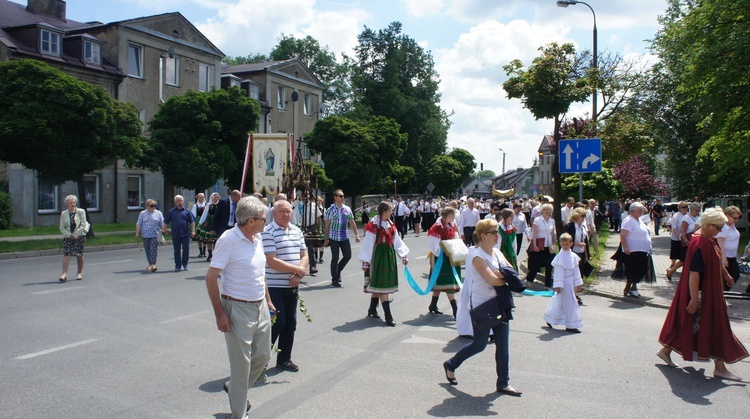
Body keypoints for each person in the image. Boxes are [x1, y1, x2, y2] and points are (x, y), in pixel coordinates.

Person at [657, 208, 748, 380]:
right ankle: (720, 367)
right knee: (714, 326)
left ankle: (666, 350)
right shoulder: (700, 242)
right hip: (702, 294)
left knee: (694, 326)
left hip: (707, 292)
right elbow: (694, 273)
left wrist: (726, 274)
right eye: (718, 227)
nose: (721, 231)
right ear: (707, 224)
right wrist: (693, 299)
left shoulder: (708, 239)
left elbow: (714, 258)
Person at [205, 196, 274, 418]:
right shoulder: (228, 240)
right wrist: (220, 314)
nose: (267, 221)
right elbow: (211, 278)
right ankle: (239, 413)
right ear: (251, 220)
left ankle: (234, 388)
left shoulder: (257, 238)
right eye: (264, 218)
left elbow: (260, 272)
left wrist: (268, 299)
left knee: (263, 357)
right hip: (236, 307)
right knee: (241, 366)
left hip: (259, 305)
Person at [443, 219, 521, 397]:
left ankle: (504, 383)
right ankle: (451, 364)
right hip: (482, 306)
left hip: (500, 303)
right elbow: (492, 279)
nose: (497, 235)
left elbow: (512, 271)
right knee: (479, 345)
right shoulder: (476, 256)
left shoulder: (496, 253)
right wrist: (505, 278)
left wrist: (504, 276)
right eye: (494, 232)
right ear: (483, 235)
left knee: (503, 345)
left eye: (497, 232)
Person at [262, 200, 308, 372]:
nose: (286, 215)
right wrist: (298, 270)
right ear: (274, 213)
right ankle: (262, 359)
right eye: (282, 211)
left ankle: (284, 359)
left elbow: (304, 255)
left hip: (292, 284)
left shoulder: (297, 231)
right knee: (277, 322)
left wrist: (297, 274)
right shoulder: (268, 232)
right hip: (274, 285)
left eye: (288, 211)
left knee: (290, 323)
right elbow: (271, 261)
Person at [359, 201, 410, 326]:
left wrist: (404, 255)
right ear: (384, 212)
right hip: (377, 256)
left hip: (388, 255)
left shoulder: (390, 223)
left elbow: (396, 241)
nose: (392, 212)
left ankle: (372, 308)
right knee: (382, 287)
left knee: (379, 284)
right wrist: (366, 261)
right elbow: (368, 243)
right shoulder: (374, 225)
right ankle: (388, 316)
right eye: (390, 210)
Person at [543, 233, 583, 332]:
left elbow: (576, 270)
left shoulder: (573, 256)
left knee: (560, 302)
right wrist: (558, 285)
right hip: (564, 283)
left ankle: (550, 318)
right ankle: (570, 325)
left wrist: (577, 283)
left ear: (571, 244)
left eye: (567, 244)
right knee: (570, 304)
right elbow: (558, 272)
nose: (565, 246)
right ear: (560, 244)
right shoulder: (560, 257)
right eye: (563, 244)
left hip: (571, 281)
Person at [427, 207, 462, 317]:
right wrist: (444, 249)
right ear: (447, 215)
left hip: (450, 256)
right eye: (452, 215)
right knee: (447, 282)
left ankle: (433, 305)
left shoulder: (452, 226)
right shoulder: (437, 227)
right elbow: (433, 244)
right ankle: (455, 309)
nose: (454, 217)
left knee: (441, 282)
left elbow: (457, 239)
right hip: (441, 257)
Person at [324, 189, 361, 287]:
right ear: (335, 197)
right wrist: (326, 239)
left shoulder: (347, 209)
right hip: (333, 237)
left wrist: (357, 234)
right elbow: (326, 226)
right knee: (335, 257)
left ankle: (338, 271)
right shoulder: (330, 210)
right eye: (340, 196)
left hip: (344, 236)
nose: (342, 198)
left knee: (348, 255)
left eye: (343, 196)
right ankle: (335, 279)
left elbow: (352, 223)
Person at [620, 202, 652, 298]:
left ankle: (630, 288)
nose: (641, 212)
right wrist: (625, 247)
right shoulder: (628, 220)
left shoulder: (638, 220)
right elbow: (623, 235)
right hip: (634, 250)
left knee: (639, 270)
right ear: (633, 211)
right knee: (634, 270)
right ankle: (632, 288)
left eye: (642, 210)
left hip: (642, 250)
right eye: (639, 210)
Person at [58, 195, 89, 282]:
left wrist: (75, 235)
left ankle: (79, 273)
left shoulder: (81, 212)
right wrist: (69, 235)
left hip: (80, 236)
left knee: (79, 254)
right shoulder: (64, 213)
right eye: (71, 202)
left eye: (74, 202)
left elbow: (83, 224)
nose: (73, 204)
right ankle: (64, 274)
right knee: (67, 254)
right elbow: (62, 228)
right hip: (68, 237)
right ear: (67, 204)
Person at [667, 202, 700, 281]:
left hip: (695, 240)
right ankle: (671, 270)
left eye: (699, 210)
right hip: (687, 240)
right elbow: (682, 230)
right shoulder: (686, 218)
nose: (698, 212)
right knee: (683, 259)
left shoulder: (698, 217)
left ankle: (687, 275)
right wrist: (685, 240)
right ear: (692, 210)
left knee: (690, 259)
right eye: (696, 210)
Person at [526, 203, 556, 289]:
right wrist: (534, 245)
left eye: (549, 210)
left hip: (548, 245)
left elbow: (552, 233)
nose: (548, 211)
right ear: (542, 211)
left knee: (549, 265)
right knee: (536, 265)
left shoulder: (552, 221)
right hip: (539, 245)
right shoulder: (537, 220)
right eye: (546, 210)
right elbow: (534, 234)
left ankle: (547, 285)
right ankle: (529, 279)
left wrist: (555, 241)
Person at [164, 195, 196, 272]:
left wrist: (193, 231)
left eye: (181, 200)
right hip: (176, 234)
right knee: (176, 250)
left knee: (186, 248)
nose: (180, 202)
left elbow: (192, 222)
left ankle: (185, 264)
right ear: (175, 202)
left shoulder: (187, 211)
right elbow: (166, 222)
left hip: (185, 234)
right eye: (178, 201)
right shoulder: (171, 212)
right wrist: (165, 229)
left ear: (183, 201)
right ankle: (177, 265)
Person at [135, 199, 166, 272]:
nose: (153, 207)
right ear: (147, 206)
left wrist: (165, 229)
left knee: (153, 249)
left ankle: (153, 264)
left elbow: (162, 223)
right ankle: (150, 264)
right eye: (151, 206)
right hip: (145, 235)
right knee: (147, 250)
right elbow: (139, 224)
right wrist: (137, 233)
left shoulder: (158, 213)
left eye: (155, 206)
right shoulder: (142, 213)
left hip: (154, 235)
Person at [716, 206, 742, 292]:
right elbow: (720, 244)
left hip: (732, 256)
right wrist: (723, 259)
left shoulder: (732, 225)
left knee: (734, 275)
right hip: (725, 256)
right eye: (734, 218)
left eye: (738, 218)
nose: (736, 220)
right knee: (724, 277)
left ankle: (722, 295)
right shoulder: (723, 227)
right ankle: (720, 296)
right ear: (727, 215)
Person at [666, 201, 689, 281]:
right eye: (683, 207)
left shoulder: (688, 216)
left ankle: (679, 268)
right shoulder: (676, 216)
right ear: (679, 208)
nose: (685, 208)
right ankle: (672, 266)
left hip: (686, 238)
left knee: (683, 256)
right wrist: (679, 236)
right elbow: (674, 228)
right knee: (675, 253)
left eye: (686, 207)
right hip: (677, 238)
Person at [197, 193, 221, 262]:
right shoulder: (208, 205)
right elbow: (204, 214)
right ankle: (210, 254)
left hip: (217, 222)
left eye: (217, 198)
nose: (216, 199)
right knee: (209, 239)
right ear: (212, 198)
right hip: (210, 222)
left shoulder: (220, 205)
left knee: (217, 240)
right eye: (215, 197)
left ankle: (216, 254)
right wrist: (200, 223)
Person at [191, 193, 208, 257]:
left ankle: (204, 251)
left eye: (201, 197)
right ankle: (200, 251)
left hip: (205, 222)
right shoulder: (196, 205)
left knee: (205, 237)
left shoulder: (206, 205)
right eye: (199, 197)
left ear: (204, 198)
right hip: (198, 221)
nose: (200, 199)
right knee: (198, 237)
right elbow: (193, 214)